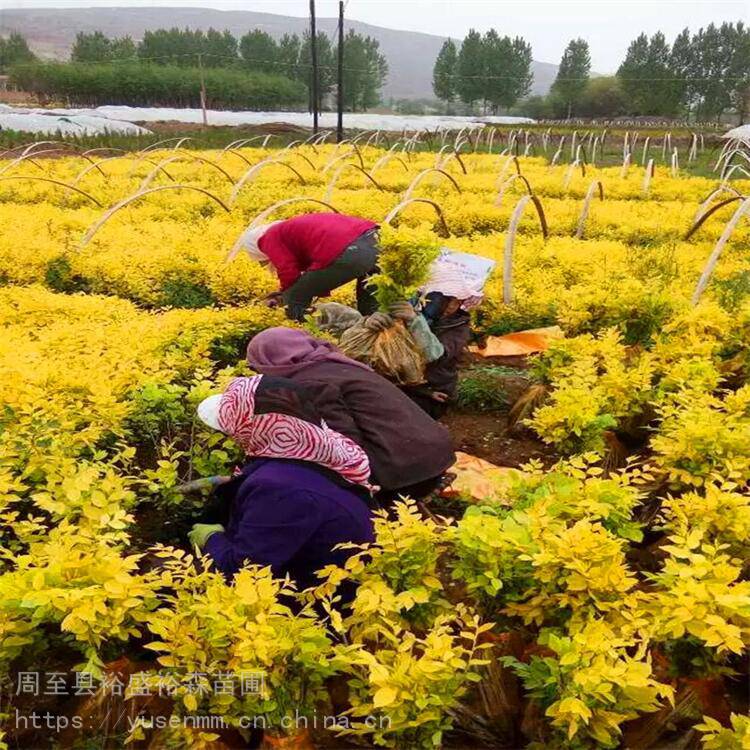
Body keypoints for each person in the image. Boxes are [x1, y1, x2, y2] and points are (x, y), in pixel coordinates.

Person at [190, 375, 375, 593]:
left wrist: (212, 539)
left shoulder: (279, 491)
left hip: (320, 597)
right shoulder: (313, 445)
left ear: (252, 427)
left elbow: (244, 572)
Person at [246, 327, 456, 501]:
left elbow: (345, 446)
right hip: (436, 454)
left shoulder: (310, 383)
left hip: (407, 473)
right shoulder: (334, 363)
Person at [231, 213, 380, 321]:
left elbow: (287, 270)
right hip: (375, 240)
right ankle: (376, 338)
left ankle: (304, 339)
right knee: (371, 303)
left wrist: (287, 294)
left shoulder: (269, 237)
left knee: (295, 300)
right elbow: (314, 274)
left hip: (349, 249)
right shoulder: (289, 229)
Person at [393, 292, 472, 418]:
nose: (451, 306)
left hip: (434, 391)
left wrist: (415, 322)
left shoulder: (459, 327)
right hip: (404, 386)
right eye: (448, 300)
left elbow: (437, 356)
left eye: (457, 302)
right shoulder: (413, 313)